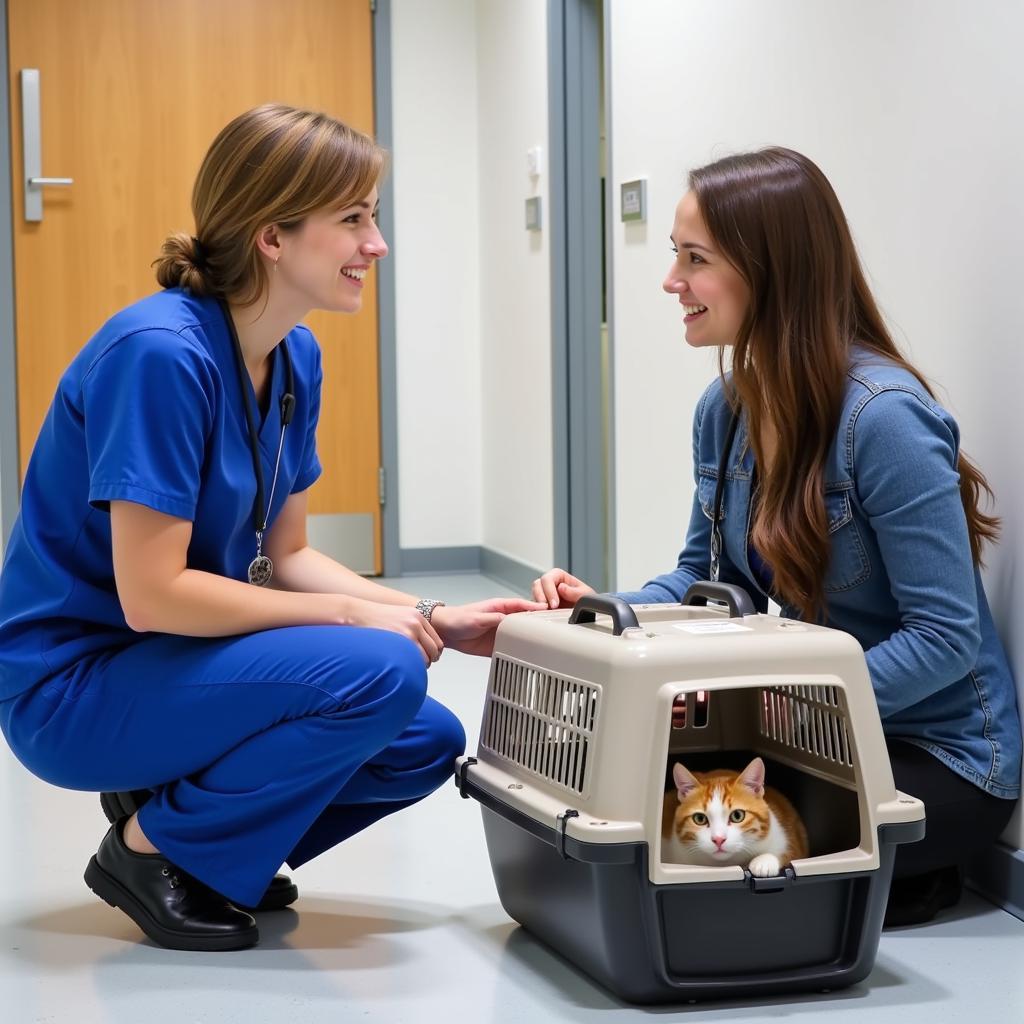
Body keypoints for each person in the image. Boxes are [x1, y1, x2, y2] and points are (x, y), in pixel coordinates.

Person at [0, 104, 542, 952]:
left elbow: (285, 557)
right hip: (75, 687)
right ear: (272, 237)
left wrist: (432, 616)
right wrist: (362, 619)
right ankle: (152, 854)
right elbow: (152, 596)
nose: (377, 244)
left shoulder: (295, 356)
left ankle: (190, 832)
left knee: (425, 740)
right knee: (379, 671)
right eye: (354, 219)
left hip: (170, 665)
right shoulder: (160, 355)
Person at [534, 147, 1021, 927]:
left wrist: (785, 716)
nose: (672, 283)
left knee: (714, 851)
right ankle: (895, 884)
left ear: (772, 272)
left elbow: (946, 638)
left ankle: (913, 869)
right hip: (808, 735)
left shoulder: (884, 420)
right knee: (651, 811)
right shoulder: (725, 411)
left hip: (940, 757)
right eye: (675, 257)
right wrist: (592, 609)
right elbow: (703, 583)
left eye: (695, 260)